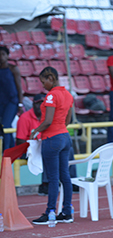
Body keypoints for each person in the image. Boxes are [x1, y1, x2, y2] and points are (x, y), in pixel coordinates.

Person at [31, 67, 74, 225]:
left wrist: (35, 131)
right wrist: (60, 129)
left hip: (52, 138)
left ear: (50, 78)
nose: (43, 86)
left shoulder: (51, 95)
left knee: (53, 178)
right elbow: (68, 120)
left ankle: (50, 212)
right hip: (65, 137)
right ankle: (67, 212)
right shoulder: (68, 94)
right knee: (65, 176)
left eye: (44, 82)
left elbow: (48, 121)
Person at [0, 45, 24, 151]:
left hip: (12, 101)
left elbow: (19, 87)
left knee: (5, 125)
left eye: (3, 54)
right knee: (5, 126)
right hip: (1, 102)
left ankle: (6, 151)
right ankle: (10, 149)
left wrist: (20, 103)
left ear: (7, 55)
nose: (1, 57)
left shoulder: (13, 69)